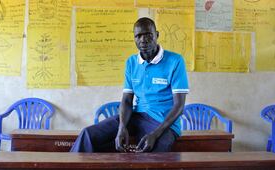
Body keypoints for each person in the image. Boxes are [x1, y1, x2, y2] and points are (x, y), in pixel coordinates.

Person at [70, 17, 189, 152]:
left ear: (157, 35)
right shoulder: (131, 62)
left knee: (157, 149)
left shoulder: (175, 61)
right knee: (88, 135)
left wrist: (155, 134)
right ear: (134, 39)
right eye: (138, 36)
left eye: (148, 34)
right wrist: (122, 127)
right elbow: (127, 100)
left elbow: (179, 105)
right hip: (137, 116)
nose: (143, 39)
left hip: (162, 122)